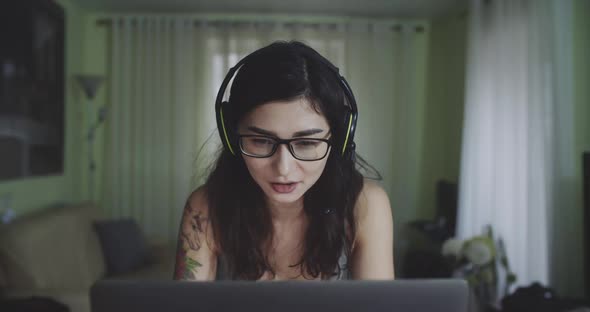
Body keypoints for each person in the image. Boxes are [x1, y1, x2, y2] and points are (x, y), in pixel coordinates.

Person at [173, 41, 394, 281]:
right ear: (231, 137)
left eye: (307, 143)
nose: (283, 169)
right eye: (261, 140)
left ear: (338, 140)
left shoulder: (366, 205)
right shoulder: (205, 208)